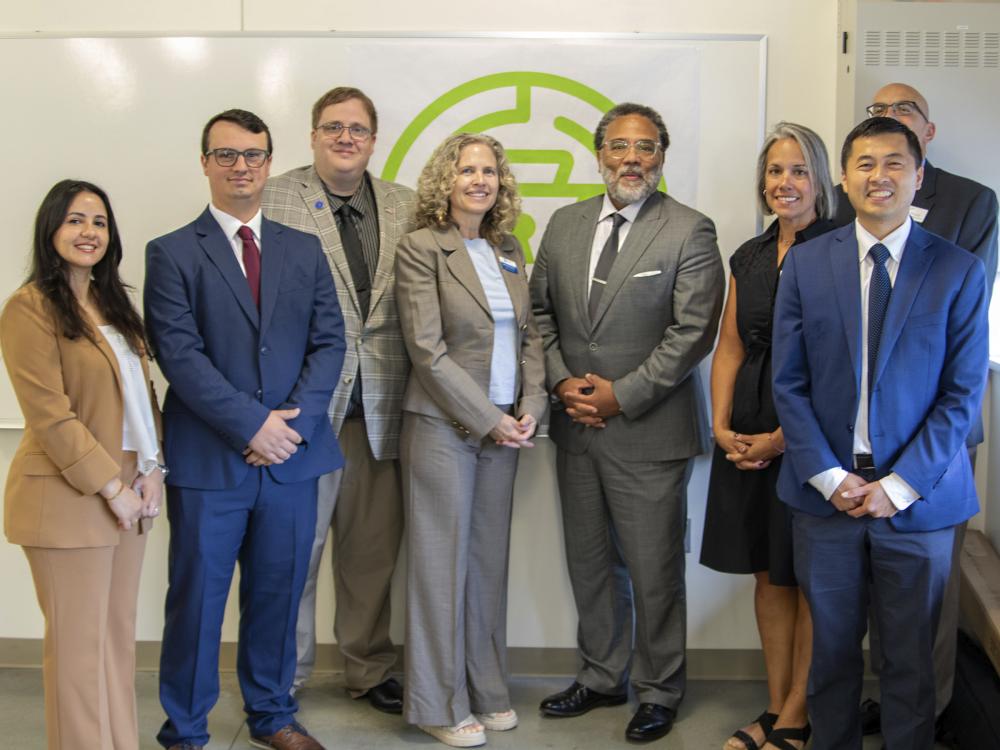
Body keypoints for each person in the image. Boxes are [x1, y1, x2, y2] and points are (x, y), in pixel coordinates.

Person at [772, 116, 988, 750]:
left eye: (895, 163)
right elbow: (789, 384)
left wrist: (898, 486)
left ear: (918, 176)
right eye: (865, 163)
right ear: (843, 178)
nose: (880, 176)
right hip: (825, 497)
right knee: (832, 663)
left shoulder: (958, 270)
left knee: (911, 667)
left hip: (918, 502)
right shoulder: (807, 265)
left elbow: (961, 396)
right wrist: (831, 477)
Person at [145, 109, 345, 750]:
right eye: (226, 155)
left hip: (291, 458)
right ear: (204, 162)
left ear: (269, 161)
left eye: (253, 155)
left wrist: (293, 427)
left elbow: (330, 343)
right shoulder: (172, 252)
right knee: (198, 601)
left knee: (278, 594)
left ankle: (272, 714)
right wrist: (252, 425)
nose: (241, 167)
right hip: (211, 461)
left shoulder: (303, 248)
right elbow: (180, 356)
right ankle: (186, 728)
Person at [529, 102, 725, 743]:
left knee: (653, 570)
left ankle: (660, 690)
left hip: (649, 429)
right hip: (576, 428)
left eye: (645, 147)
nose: (631, 158)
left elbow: (693, 332)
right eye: (618, 146)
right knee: (590, 565)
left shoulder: (689, 230)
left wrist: (622, 395)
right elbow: (540, 314)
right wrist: (562, 382)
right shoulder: (563, 225)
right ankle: (601, 676)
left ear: (662, 156)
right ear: (599, 155)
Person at [832, 82, 999, 738]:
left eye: (905, 115)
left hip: (940, 432)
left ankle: (932, 711)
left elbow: (956, 319)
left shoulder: (972, 202)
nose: (890, 124)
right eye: (879, 114)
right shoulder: (849, 208)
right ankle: (891, 698)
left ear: (925, 139)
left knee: (932, 593)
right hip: (858, 437)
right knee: (869, 585)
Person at [261, 86, 416, 713]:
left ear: (374, 139)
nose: (344, 138)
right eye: (332, 127)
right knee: (293, 555)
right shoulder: (274, 196)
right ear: (314, 135)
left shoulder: (407, 206)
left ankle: (368, 668)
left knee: (371, 556)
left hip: (382, 411)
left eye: (357, 128)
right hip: (302, 412)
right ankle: (282, 678)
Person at [395, 132, 546, 748]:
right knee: (439, 568)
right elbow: (427, 354)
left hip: (506, 430)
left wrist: (531, 407)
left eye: (489, 171)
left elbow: (530, 337)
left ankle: (485, 689)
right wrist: (490, 417)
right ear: (445, 181)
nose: (479, 180)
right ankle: (436, 702)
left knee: (486, 565)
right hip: (443, 429)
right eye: (466, 170)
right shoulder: (421, 249)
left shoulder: (509, 249)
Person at [1, 179, 163, 750]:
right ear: (50, 230)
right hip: (69, 495)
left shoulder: (114, 303)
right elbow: (49, 414)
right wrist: (111, 486)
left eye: (98, 221)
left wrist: (150, 471)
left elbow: (142, 399)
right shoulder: (29, 308)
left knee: (114, 641)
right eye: (74, 220)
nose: (88, 232)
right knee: (77, 653)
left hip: (130, 489)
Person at [701, 122, 837, 750]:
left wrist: (785, 438)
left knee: (808, 575)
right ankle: (777, 703)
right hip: (746, 433)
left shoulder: (839, 249)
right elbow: (729, 346)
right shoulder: (750, 255)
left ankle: (799, 715)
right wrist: (722, 426)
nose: (786, 183)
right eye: (776, 171)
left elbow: (839, 363)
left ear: (821, 182)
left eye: (799, 171)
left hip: (809, 434)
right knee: (767, 572)